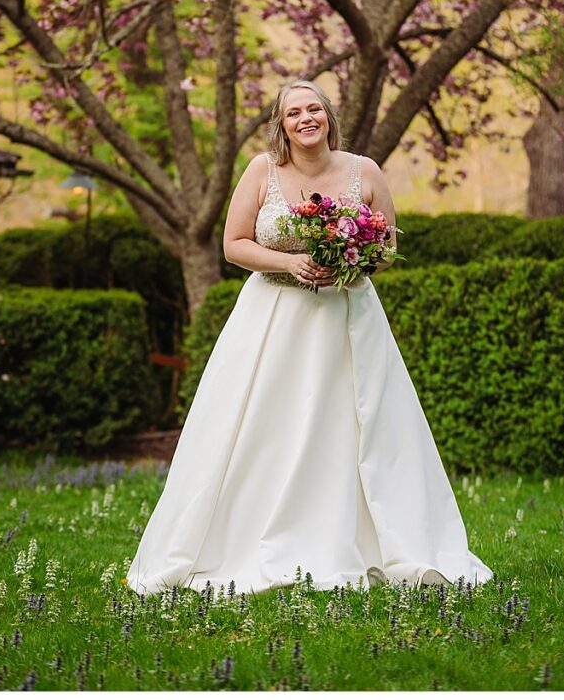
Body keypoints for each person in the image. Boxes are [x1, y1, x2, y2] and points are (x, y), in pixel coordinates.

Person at [126, 79, 491, 593]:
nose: (305, 118)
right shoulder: (262, 171)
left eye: (313, 108)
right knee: (264, 425)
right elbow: (234, 245)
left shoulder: (366, 171)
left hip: (348, 316)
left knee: (356, 424)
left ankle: (371, 540)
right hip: (273, 317)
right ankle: (242, 539)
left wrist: (353, 256)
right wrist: (291, 261)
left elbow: (387, 247)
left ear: (328, 116)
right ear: (281, 124)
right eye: (293, 112)